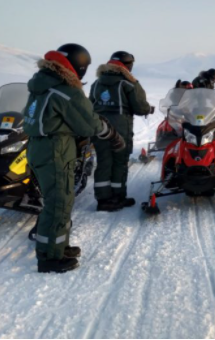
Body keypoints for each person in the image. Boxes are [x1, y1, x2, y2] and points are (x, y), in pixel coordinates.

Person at [24, 44, 125, 273]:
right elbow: (87, 123)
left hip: (39, 146)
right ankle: (50, 258)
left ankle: (58, 246)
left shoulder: (42, 82)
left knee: (60, 200)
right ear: (79, 65)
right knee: (58, 202)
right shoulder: (64, 89)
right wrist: (109, 133)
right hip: (55, 148)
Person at [89, 51, 153, 211]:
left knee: (103, 161)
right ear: (128, 65)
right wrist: (148, 109)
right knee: (119, 162)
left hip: (99, 127)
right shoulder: (129, 83)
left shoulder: (96, 83)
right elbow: (140, 107)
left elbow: (89, 105)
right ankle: (118, 196)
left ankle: (103, 200)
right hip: (120, 129)